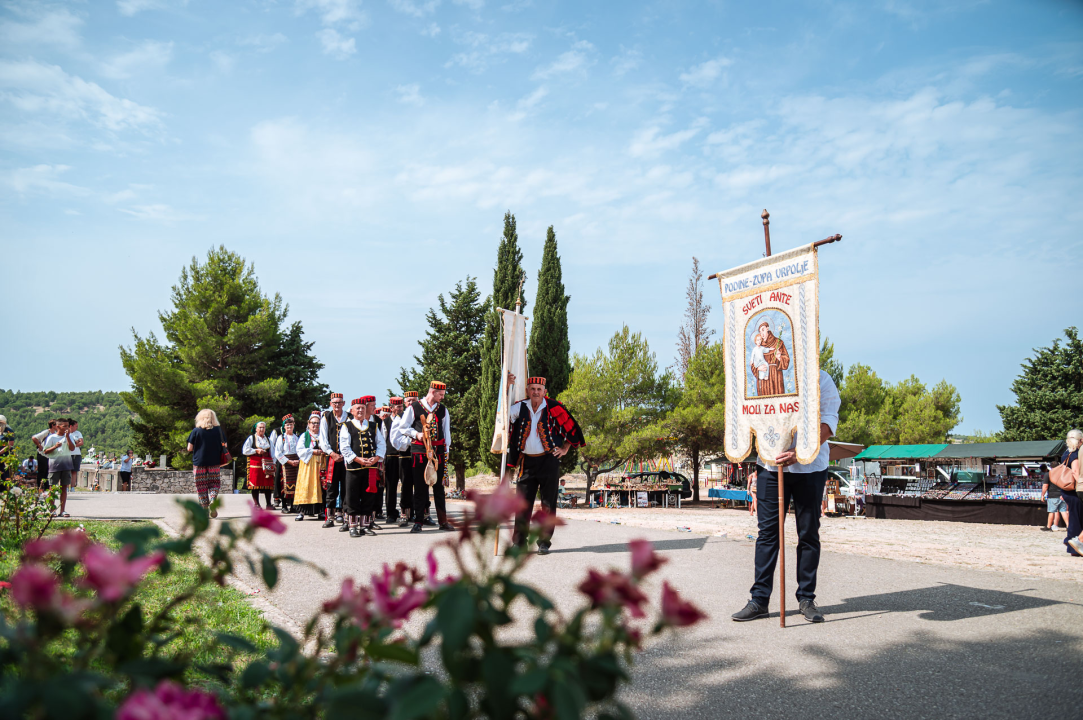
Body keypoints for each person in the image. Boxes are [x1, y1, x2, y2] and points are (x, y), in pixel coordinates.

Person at [732, 368, 841, 624]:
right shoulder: (769, 377)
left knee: (808, 533)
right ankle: (759, 600)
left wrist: (800, 451)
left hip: (810, 466)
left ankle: (806, 598)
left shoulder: (821, 379)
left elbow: (828, 423)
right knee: (768, 533)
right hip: (770, 466)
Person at [503, 375, 586, 555]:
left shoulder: (554, 407)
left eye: (539, 390)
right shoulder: (520, 407)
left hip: (549, 461)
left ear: (544, 392)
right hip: (527, 462)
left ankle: (543, 543)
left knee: (548, 504)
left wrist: (564, 448)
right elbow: (503, 417)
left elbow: (572, 428)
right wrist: (507, 387)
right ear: (527, 391)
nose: (535, 392)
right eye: (532, 389)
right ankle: (519, 543)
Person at [393, 382, 453, 534]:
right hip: (420, 451)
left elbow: (446, 433)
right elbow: (403, 427)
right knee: (420, 487)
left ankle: (443, 520)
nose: (442, 397)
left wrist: (446, 453)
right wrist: (416, 434)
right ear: (432, 392)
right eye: (441, 394)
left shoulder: (443, 410)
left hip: (438, 452)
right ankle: (418, 521)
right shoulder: (414, 408)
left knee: (439, 487)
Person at [339, 396, 386, 538]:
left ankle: (365, 526)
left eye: (362, 408)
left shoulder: (373, 426)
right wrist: (358, 459)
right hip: (354, 467)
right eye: (357, 408)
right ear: (352, 411)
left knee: (369, 496)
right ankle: (353, 526)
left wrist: (376, 458)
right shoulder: (347, 426)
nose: (360, 410)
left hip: (370, 468)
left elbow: (381, 444)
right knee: (352, 496)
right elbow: (344, 447)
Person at [319, 392, 352, 528]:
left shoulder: (349, 418)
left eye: (339, 402)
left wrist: (346, 454)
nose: (337, 405)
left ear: (344, 403)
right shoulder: (326, 417)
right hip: (331, 458)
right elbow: (322, 439)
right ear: (330, 404)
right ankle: (330, 517)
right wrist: (331, 453)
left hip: (346, 458)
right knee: (331, 488)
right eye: (334, 402)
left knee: (346, 487)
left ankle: (345, 517)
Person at [186, 409, 225, 516]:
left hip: (199, 462)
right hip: (214, 462)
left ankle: (204, 509)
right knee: (215, 483)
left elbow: (189, 448)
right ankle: (213, 499)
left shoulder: (196, 431)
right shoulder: (219, 430)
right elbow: (224, 445)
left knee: (201, 486)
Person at [1050, 429, 1082, 557]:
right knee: (1076, 518)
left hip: (1066, 490)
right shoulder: (1075, 453)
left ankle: (1069, 541)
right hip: (1074, 490)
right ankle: (1073, 546)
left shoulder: (1066, 453)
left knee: (1076, 517)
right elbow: (1075, 471)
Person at [393, 391, 421, 527]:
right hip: (406, 455)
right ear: (405, 403)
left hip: (420, 455)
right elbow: (395, 440)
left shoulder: (422, 416)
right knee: (406, 485)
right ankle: (404, 514)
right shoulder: (399, 417)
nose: (411, 403)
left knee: (421, 484)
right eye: (409, 401)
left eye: (413, 400)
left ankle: (423, 513)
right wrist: (412, 441)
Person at [294, 412, 326, 520]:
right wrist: (313, 451)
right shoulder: (305, 436)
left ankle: (320, 511)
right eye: (313, 423)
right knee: (306, 485)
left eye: (317, 423)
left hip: (321, 464)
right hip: (307, 465)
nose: (315, 425)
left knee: (320, 486)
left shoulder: (323, 436)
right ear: (308, 423)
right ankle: (302, 511)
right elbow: (299, 450)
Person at [42, 418, 76, 516]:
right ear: (57, 427)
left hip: (66, 465)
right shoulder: (52, 438)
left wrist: (68, 437)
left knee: (64, 488)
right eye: (64, 426)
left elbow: (72, 448)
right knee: (52, 487)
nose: (66, 428)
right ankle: (52, 510)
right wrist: (55, 446)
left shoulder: (69, 436)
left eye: (67, 426)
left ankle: (63, 510)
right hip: (54, 465)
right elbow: (45, 451)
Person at [382, 398, 407, 523]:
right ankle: (391, 513)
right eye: (397, 407)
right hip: (391, 457)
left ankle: (407, 512)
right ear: (391, 408)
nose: (399, 409)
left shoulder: (406, 420)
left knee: (406, 484)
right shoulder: (385, 421)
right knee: (391, 486)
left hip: (403, 456)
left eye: (401, 406)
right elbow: (383, 439)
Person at [242, 421, 274, 508]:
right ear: (256, 429)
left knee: (268, 484)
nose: (261, 429)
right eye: (260, 427)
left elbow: (273, 453)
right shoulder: (251, 438)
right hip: (255, 464)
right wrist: (256, 450)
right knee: (255, 484)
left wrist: (273, 464)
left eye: (263, 427)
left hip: (267, 463)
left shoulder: (268, 440)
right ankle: (256, 504)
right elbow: (245, 450)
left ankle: (268, 504)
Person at [274, 415, 300, 514]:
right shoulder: (281, 438)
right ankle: (284, 506)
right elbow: (278, 453)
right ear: (284, 427)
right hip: (285, 463)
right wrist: (289, 461)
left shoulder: (297, 437)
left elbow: (300, 450)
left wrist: (298, 460)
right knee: (284, 485)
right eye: (287, 425)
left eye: (291, 425)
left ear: (294, 425)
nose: (289, 427)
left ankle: (293, 505)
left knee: (295, 484)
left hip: (296, 462)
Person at [1040, 463, 1067, 532]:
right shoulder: (1063, 474)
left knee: (1051, 511)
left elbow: (1045, 486)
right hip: (1062, 495)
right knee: (1063, 511)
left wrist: (1042, 495)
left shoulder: (1048, 474)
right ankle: (1069, 526)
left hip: (1053, 495)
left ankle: (1048, 527)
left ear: (1051, 467)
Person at [31, 420, 57, 488]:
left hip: (50, 455)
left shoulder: (55, 433)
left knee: (48, 471)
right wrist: (39, 446)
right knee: (42, 471)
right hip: (42, 454)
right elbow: (34, 437)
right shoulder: (47, 432)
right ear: (52, 425)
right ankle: (40, 486)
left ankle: (46, 486)